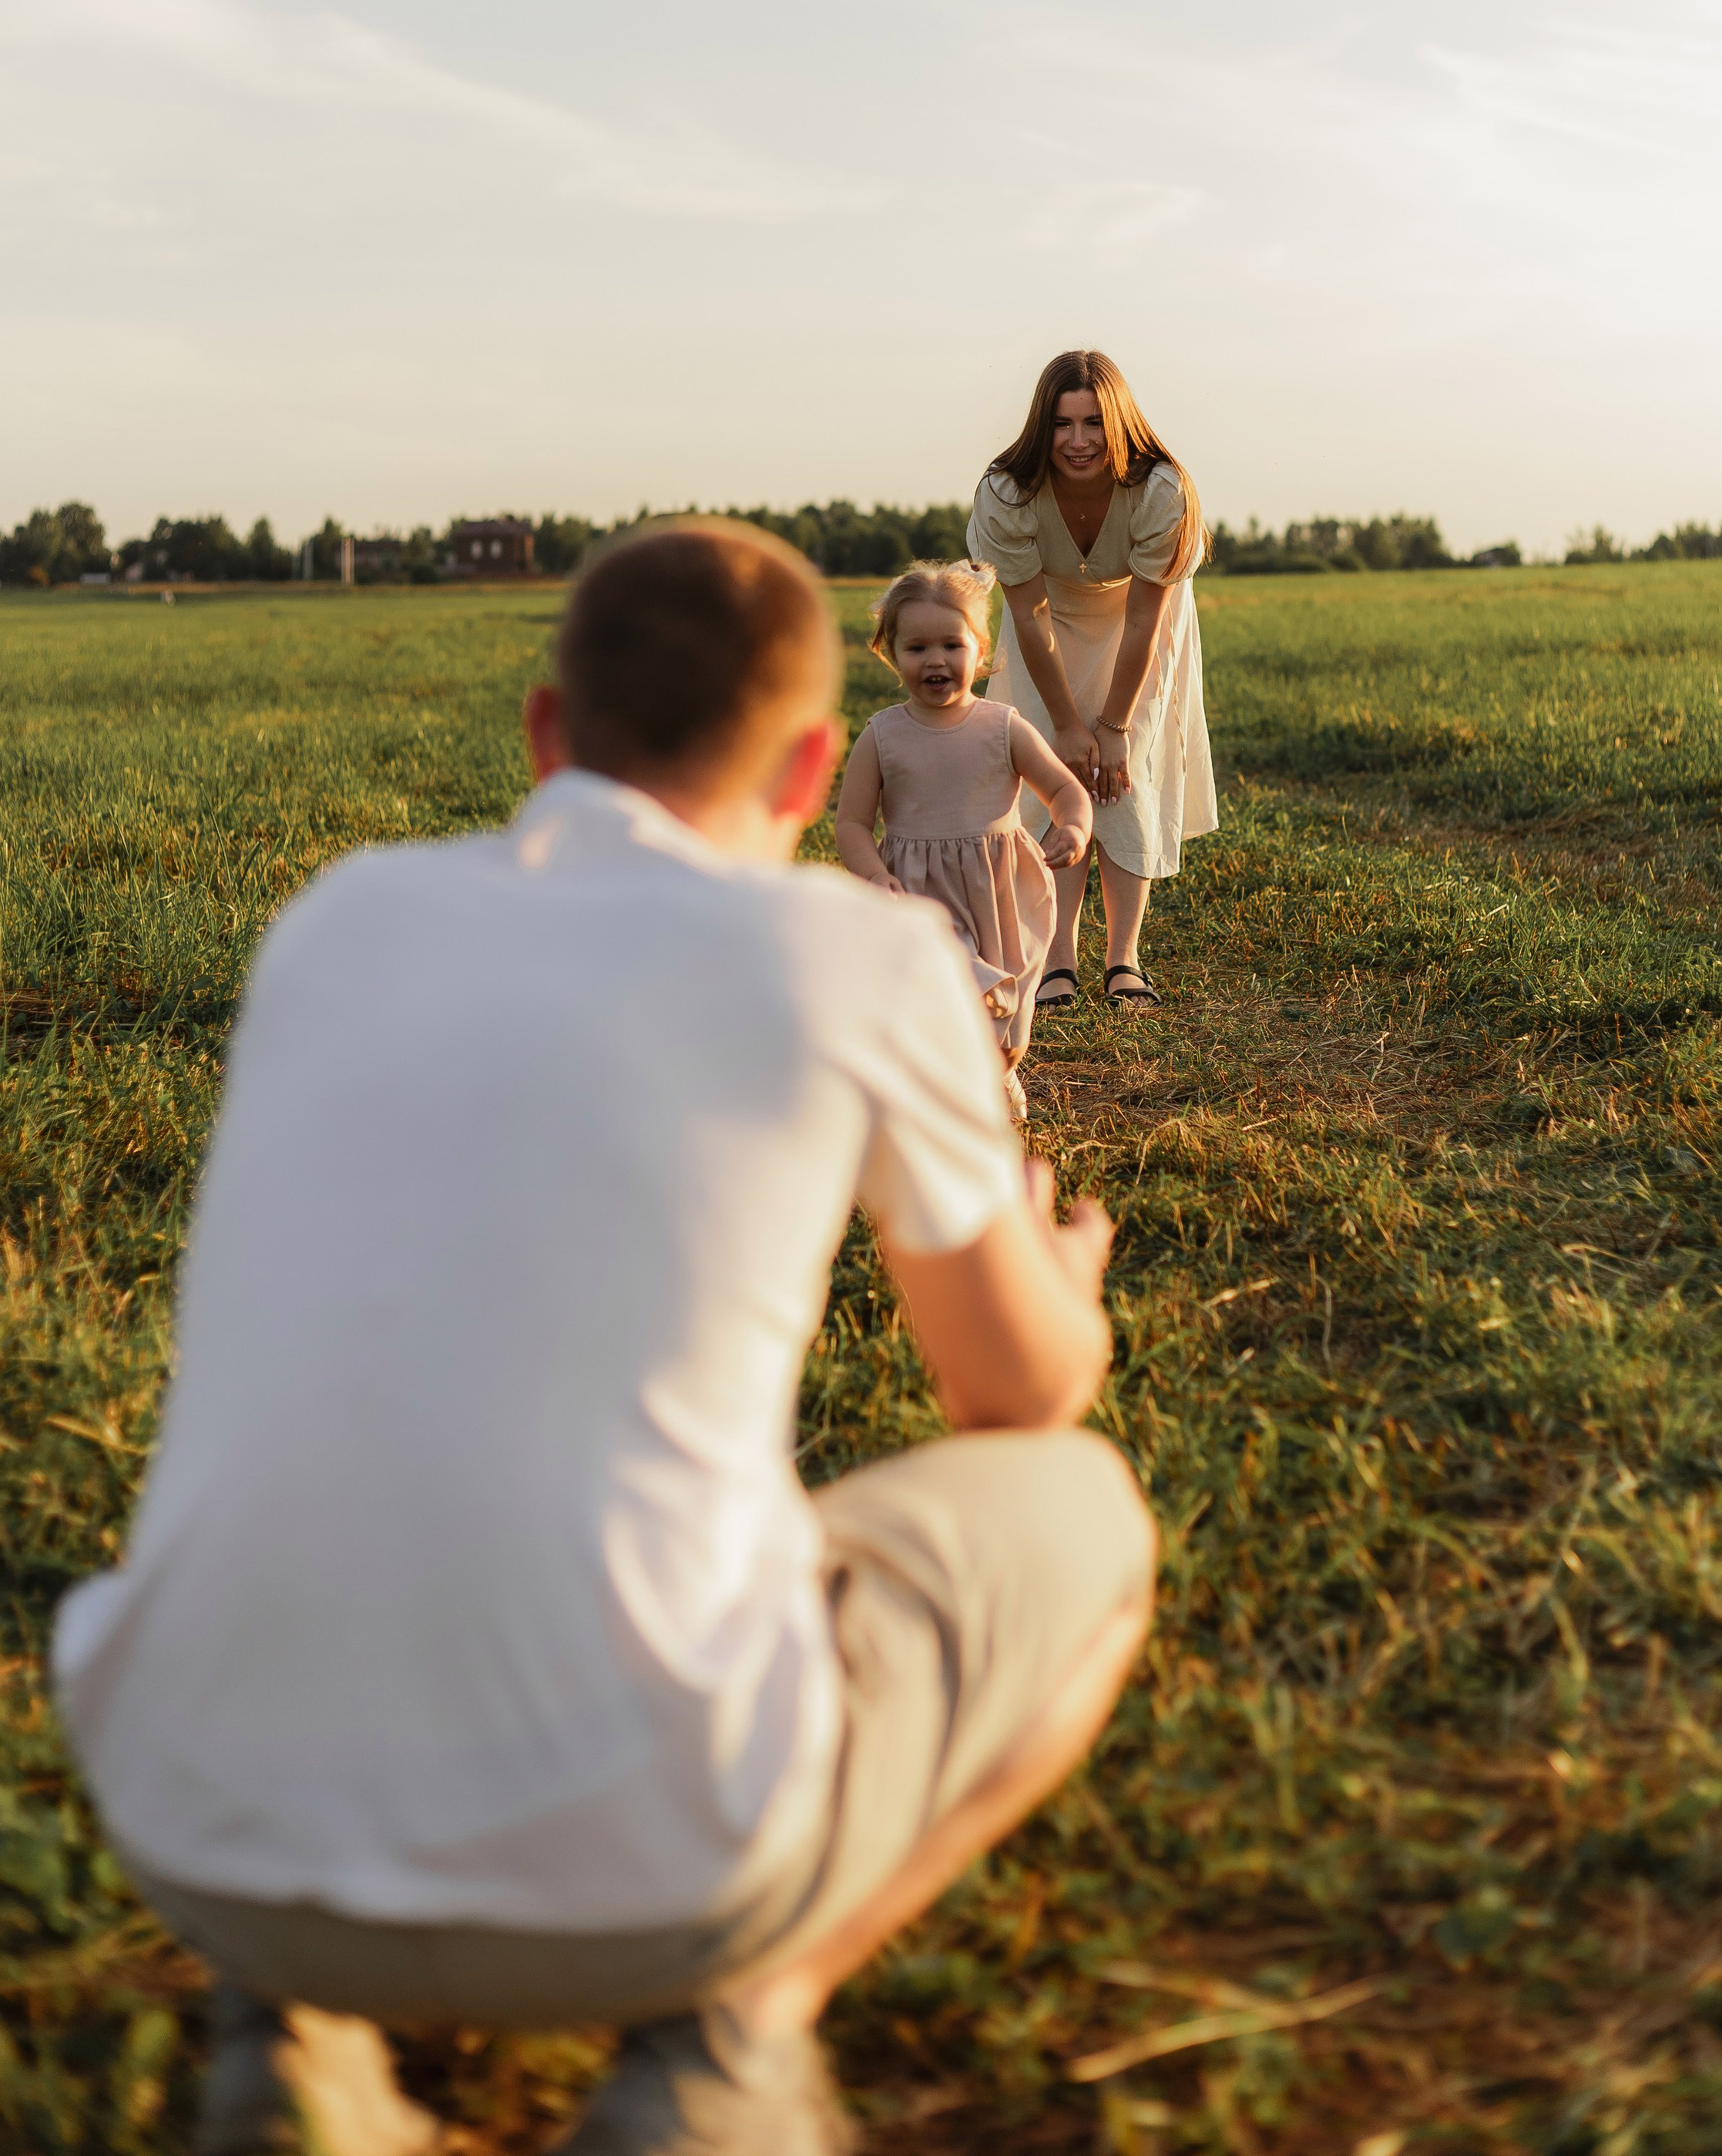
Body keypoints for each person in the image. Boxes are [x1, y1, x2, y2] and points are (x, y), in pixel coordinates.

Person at [52, 522, 1155, 2156]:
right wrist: (1058, 1285)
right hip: (660, 1875)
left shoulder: (337, 920)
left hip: (194, 1834)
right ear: (810, 770)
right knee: (1089, 1518)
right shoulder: (859, 956)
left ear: (545, 734)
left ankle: (284, 2041)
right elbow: (1015, 1390)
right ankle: (723, 2050)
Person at [967, 348, 1217, 1012]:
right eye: (1062, 424)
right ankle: (1058, 962)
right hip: (1046, 626)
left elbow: (1144, 619)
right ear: (1041, 427)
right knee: (1056, 773)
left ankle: (1123, 958)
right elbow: (1028, 613)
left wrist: (1112, 726)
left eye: (1094, 423)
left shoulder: (1162, 491)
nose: (1078, 441)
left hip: (1139, 623)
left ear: (1119, 423)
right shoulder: (1007, 494)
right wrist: (1068, 725)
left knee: (1122, 775)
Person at [834, 561, 1093, 1119]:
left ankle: (997, 1075)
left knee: (1005, 1019)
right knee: (945, 995)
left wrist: (1073, 826)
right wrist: (874, 874)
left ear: (980, 649)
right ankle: (942, 1098)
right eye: (917, 647)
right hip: (919, 894)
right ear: (891, 652)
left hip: (1000, 891)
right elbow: (852, 823)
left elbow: (1064, 789)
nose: (936, 660)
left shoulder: (1003, 726)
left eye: (952, 645)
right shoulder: (882, 735)